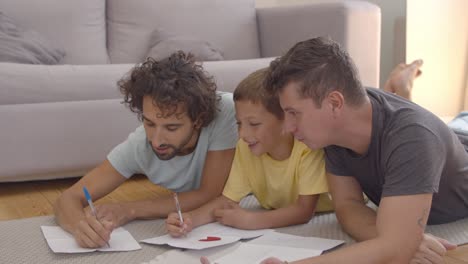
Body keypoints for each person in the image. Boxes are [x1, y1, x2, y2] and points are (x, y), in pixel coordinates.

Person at [256, 37, 468, 263]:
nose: (287, 128)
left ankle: (402, 90)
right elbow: (347, 205)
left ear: (335, 103)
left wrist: (397, 242)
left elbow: (395, 252)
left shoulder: (414, 137)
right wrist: (398, 239)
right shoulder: (337, 128)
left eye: (294, 113)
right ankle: (400, 89)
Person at [54, 51, 237, 248]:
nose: (156, 141)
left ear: (198, 120)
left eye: (171, 127)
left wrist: (129, 210)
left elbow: (209, 193)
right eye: (149, 123)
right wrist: (81, 228)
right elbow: (68, 198)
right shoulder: (139, 145)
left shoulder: (226, 111)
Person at [165, 68, 333, 237]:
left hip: (326, 213)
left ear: (286, 120)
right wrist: (190, 219)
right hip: (276, 211)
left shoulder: (307, 148)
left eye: (254, 124)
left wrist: (251, 220)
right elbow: (227, 201)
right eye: (239, 124)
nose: (243, 134)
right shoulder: (245, 148)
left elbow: (304, 211)